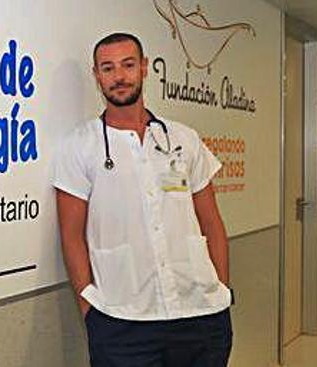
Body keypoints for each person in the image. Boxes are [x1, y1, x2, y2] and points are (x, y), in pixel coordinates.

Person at [52, 33, 233, 366]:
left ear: (145, 68)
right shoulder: (79, 146)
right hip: (122, 323)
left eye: (128, 65)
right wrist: (90, 311)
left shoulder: (183, 139)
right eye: (108, 68)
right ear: (96, 76)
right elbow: (71, 236)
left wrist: (221, 288)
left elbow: (213, 223)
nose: (119, 76)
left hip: (201, 315)